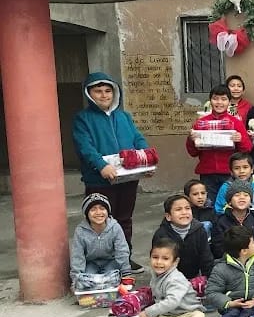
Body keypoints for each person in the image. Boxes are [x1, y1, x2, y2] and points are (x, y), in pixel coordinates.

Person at [72, 72, 149, 273]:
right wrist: (101, 166)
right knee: (100, 221)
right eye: (98, 91)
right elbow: (85, 146)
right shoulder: (83, 119)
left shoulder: (124, 116)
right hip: (99, 180)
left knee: (124, 219)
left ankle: (125, 259)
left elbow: (137, 139)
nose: (104, 95)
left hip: (127, 178)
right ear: (89, 93)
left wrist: (146, 160)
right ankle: (100, 262)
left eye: (108, 91)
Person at [111, 237, 208, 317]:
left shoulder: (175, 279)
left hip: (188, 313)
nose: (159, 262)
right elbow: (157, 297)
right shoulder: (156, 276)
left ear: (175, 262)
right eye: (155, 257)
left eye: (165, 258)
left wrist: (149, 312)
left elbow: (172, 301)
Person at [187, 84, 253, 207]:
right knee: (209, 205)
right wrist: (191, 139)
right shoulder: (201, 123)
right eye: (215, 98)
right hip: (207, 173)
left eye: (223, 99)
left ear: (229, 101)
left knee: (229, 204)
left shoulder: (235, 123)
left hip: (230, 173)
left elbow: (247, 149)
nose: (219, 102)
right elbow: (192, 152)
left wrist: (240, 139)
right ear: (210, 100)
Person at [70, 193, 130, 287]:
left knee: (111, 282)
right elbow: (77, 256)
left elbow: (122, 251)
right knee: (88, 283)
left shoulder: (115, 227)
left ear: (107, 211)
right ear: (87, 213)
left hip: (110, 262)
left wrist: (126, 273)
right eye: (93, 209)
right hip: (91, 263)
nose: (98, 212)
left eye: (102, 208)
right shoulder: (80, 231)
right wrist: (76, 279)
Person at [210, 180, 254, 268]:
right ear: (229, 202)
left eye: (246, 195)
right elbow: (218, 248)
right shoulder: (220, 221)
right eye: (237, 195)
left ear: (251, 201)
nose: (242, 197)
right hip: (230, 264)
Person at [152, 194, 214, 281]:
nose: (184, 212)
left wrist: (209, 282)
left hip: (194, 277)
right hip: (169, 280)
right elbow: (159, 263)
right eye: (178, 209)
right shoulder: (161, 235)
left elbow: (206, 259)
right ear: (168, 216)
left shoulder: (199, 230)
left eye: (187, 208)